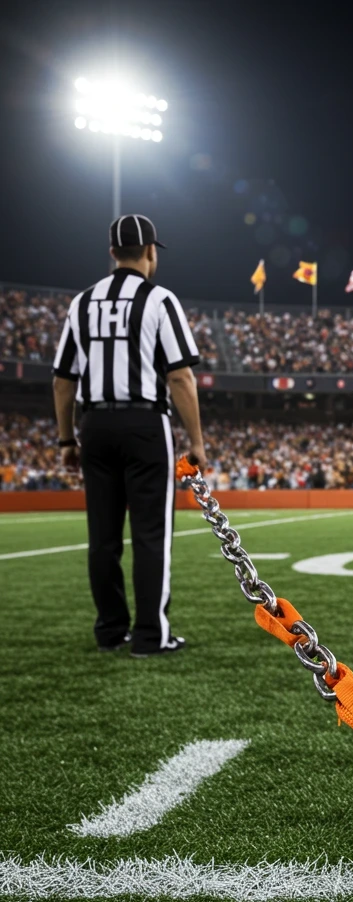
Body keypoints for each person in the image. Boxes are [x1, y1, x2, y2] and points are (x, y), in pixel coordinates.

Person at [51, 214, 208, 657]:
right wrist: (197, 442)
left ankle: (109, 630)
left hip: (95, 424)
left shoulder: (81, 303)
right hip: (144, 425)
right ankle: (149, 636)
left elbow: (63, 381)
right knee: (150, 536)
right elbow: (180, 377)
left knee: (102, 537)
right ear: (151, 251)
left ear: (111, 253)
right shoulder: (159, 299)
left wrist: (66, 440)